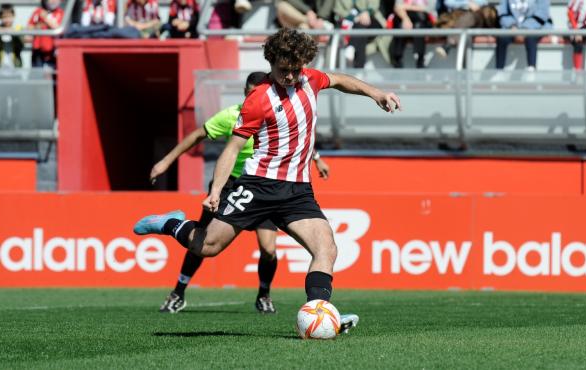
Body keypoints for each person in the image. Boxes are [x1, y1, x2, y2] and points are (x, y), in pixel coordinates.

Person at [134, 28, 401, 334]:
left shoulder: (309, 79)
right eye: (283, 71)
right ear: (271, 62)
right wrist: (217, 190)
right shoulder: (258, 99)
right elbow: (232, 148)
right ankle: (169, 223)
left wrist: (375, 93)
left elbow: (339, 79)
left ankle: (319, 313)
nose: (290, 77)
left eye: (295, 70)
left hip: (297, 190)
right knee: (207, 246)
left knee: (326, 247)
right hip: (258, 185)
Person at [153, 71, 332, 314]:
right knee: (204, 242)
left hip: (268, 185)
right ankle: (178, 291)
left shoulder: (278, 106)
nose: (253, 97)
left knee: (269, 249)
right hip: (233, 184)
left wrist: (317, 158)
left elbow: (293, 139)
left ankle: (264, 295)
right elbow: (198, 135)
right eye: (249, 93)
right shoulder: (233, 115)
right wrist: (165, 161)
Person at [495, 0, 552, 70]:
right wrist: (512, 26)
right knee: (502, 37)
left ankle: (531, 70)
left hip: (536, 27)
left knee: (531, 37)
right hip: (512, 28)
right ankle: (498, 71)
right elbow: (502, 12)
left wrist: (524, 29)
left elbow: (542, 13)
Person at [334, 0, 387, 68]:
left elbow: (374, 6)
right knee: (361, 32)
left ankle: (351, 47)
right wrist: (355, 18)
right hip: (351, 24)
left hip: (372, 21)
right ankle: (359, 68)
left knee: (361, 27)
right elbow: (338, 11)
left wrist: (366, 13)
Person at [389, 0, 434, 68]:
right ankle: (397, 58)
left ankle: (420, 58)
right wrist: (405, 18)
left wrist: (406, 7)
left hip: (422, 19)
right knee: (401, 26)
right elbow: (397, 7)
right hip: (404, 17)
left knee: (419, 25)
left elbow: (429, 8)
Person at [28, 0, 64, 68]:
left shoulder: (60, 12)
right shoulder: (38, 12)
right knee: (37, 75)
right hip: (38, 50)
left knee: (53, 74)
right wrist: (37, 26)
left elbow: (58, 28)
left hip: (53, 50)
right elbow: (29, 27)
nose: (53, 1)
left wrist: (46, 18)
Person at [0, 3, 23, 68]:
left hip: (15, 66)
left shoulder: (18, 28)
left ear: (14, 16)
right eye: (4, 17)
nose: (7, 20)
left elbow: (20, 46)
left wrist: (13, 33)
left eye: (9, 17)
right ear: (0, 17)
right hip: (0, 65)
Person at [568, 0, 586, 70]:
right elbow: (570, 13)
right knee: (578, 42)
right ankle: (577, 70)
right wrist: (576, 30)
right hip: (576, 27)